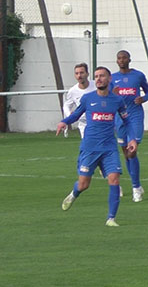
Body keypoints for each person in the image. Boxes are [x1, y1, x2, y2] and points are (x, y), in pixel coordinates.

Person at [57, 66, 138, 226]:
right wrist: (64, 122)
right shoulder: (88, 98)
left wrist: (133, 139)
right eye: (97, 76)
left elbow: (127, 121)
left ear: (109, 79)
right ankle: (74, 193)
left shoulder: (117, 100)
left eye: (102, 76)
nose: (99, 78)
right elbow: (76, 114)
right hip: (90, 147)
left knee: (114, 179)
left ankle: (111, 218)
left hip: (109, 148)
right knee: (83, 184)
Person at [110, 50, 148, 202]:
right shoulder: (113, 78)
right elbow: (108, 97)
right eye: (119, 58)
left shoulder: (138, 75)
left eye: (124, 57)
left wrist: (143, 98)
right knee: (126, 153)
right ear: (117, 60)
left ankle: (135, 187)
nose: (121, 60)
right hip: (120, 119)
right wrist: (112, 93)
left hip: (135, 117)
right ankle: (137, 186)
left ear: (129, 59)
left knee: (132, 152)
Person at [62, 63, 95, 139]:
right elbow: (66, 105)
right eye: (77, 73)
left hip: (97, 121)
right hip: (83, 123)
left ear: (87, 74)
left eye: (81, 73)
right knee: (88, 146)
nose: (79, 76)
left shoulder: (96, 86)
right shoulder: (73, 91)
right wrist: (68, 114)